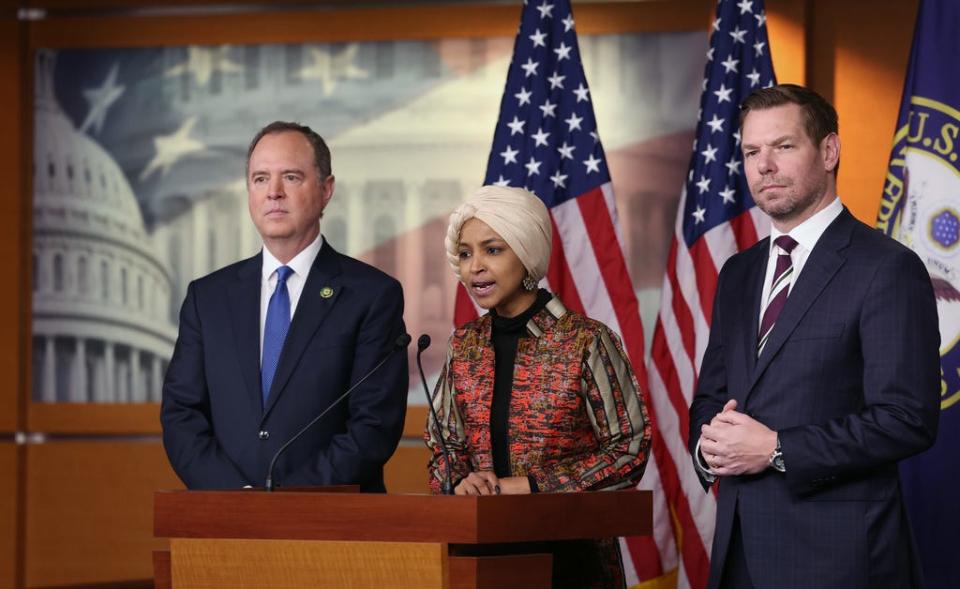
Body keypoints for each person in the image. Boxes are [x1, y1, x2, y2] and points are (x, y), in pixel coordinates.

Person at [689, 84, 940, 589]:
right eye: (751, 152)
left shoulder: (887, 268)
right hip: (738, 552)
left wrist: (777, 449)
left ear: (829, 151)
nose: (764, 166)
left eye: (783, 147)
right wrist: (709, 447)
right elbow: (713, 396)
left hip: (840, 559)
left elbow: (907, 419)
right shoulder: (738, 273)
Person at [425, 185, 651, 589]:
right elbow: (444, 445)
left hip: (572, 559)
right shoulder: (464, 344)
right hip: (480, 556)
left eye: (492, 250)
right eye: (464, 253)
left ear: (526, 254)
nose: (475, 266)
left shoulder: (585, 340)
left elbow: (629, 450)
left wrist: (531, 486)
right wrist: (460, 480)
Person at [161, 121, 408, 491]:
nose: (273, 192)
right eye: (260, 179)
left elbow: (372, 427)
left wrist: (283, 503)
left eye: (291, 177)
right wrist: (237, 498)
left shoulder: (371, 296)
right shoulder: (207, 298)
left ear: (326, 190)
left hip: (332, 526)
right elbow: (182, 415)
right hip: (225, 523)